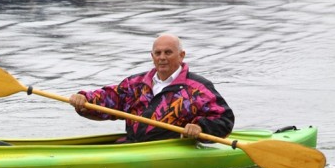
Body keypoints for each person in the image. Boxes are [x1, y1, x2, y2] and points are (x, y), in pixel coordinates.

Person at [69, 34, 234, 143]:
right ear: (152, 56)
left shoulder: (198, 88)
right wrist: (84, 99)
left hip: (171, 151)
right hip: (132, 146)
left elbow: (224, 119)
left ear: (181, 55)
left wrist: (200, 127)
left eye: (168, 52)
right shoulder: (136, 83)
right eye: (158, 53)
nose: (162, 58)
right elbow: (110, 98)